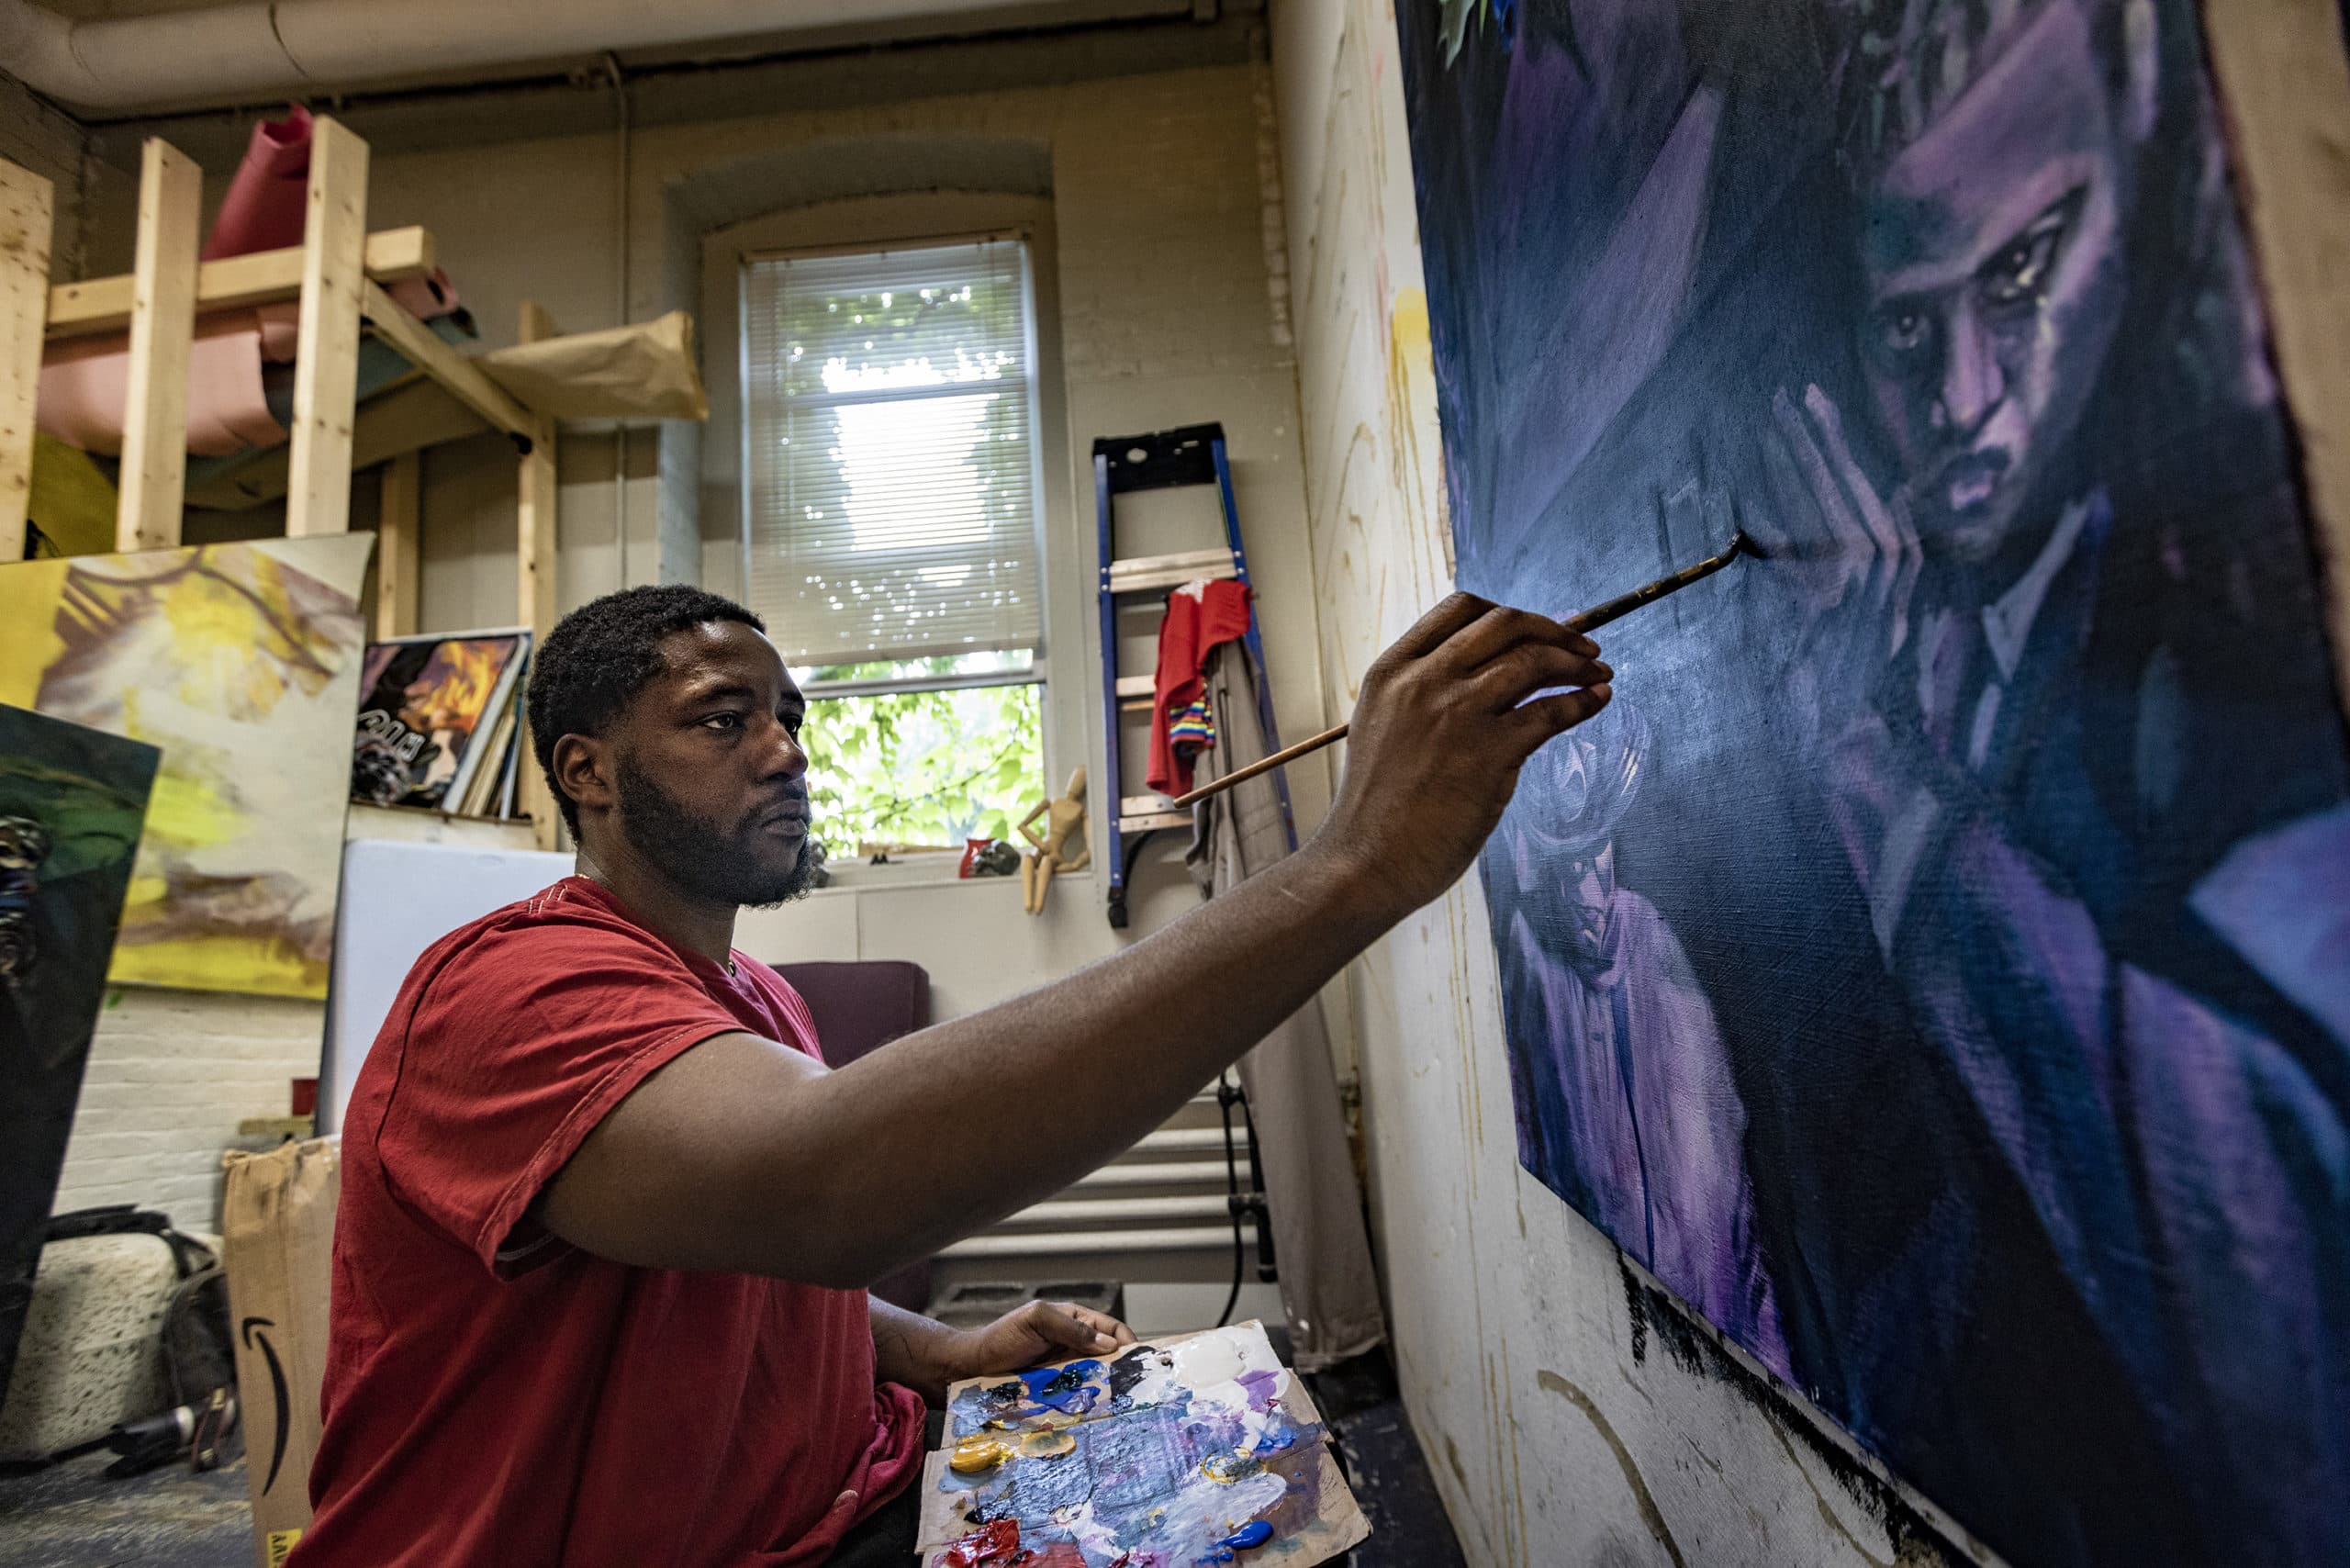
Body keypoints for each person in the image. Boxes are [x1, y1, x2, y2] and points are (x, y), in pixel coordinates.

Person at [295, 581, 1613, 1566]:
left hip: (839, 1504)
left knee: (1276, 1489)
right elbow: (819, 1193)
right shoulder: (511, 991)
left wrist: (947, 1353)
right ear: (587, 772)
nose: (786, 749)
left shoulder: (751, 995)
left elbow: (730, 1273)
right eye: (724, 720)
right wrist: (1351, 869)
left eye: (791, 718)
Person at [1743, 0, 2350, 1558]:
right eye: (1901, 325)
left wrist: (1878, 782)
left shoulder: (2231, 656)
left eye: (2022, 274)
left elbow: (2262, 1286)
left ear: (2137, 201)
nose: (1959, 397)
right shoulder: (1880, 638)